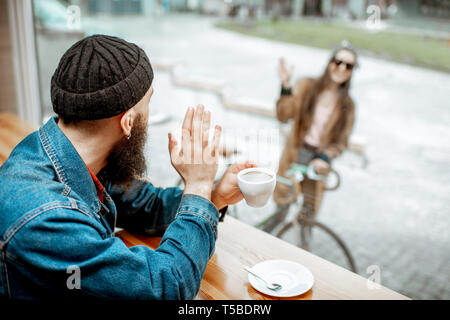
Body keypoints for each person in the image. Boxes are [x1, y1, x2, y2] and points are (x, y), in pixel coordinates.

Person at [0, 35, 255, 299]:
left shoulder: (67, 153)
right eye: (148, 104)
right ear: (128, 123)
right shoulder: (47, 218)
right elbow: (167, 287)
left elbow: (146, 206)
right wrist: (198, 185)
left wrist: (213, 195)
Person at [273, 43, 357, 213]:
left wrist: (324, 157)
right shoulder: (306, 85)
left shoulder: (348, 105)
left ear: (351, 71)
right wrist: (286, 86)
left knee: (308, 214)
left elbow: (341, 143)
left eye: (348, 66)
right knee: (282, 207)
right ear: (329, 62)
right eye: (338, 61)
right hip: (295, 154)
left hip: (318, 161)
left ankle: (302, 238)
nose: (341, 68)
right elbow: (284, 115)